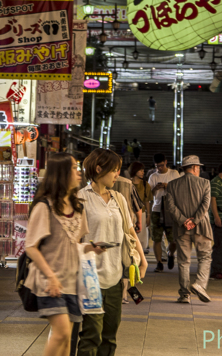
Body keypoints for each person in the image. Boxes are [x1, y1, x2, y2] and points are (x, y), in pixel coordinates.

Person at [23, 154, 105, 356]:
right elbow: (31, 246)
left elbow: (76, 244)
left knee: (67, 339)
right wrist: (50, 276)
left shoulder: (78, 206)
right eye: (74, 168)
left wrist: (91, 248)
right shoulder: (44, 206)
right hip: (49, 282)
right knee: (60, 333)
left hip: (72, 282)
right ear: (61, 173)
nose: (79, 172)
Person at [74, 150, 145, 356]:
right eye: (114, 170)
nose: (117, 175)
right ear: (98, 169)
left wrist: (142, 260)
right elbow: (74, 239)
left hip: (115, 276)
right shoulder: (81, 198)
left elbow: (129, 230)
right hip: (89, 276)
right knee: (91, 335)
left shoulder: (119, 198)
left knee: (110, 335)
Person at [164, 156, 213, 304]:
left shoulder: (172, 185)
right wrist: (194, 221)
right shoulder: (205, 183)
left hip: (181, 229)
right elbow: (205, 205)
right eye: (198, 167)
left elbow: (170, 207)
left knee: (184, 261)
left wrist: (183, 221)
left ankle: (185, 295)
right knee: (204, 257)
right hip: (202, 227)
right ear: (195, 168)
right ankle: (199, 284)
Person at [146, 154, 179, 273]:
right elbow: (149, 195)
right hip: (156, 209)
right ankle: (159, 262)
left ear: (166, 162)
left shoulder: (174, 174)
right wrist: (155, 188)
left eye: (161, 165)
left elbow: (179, 190)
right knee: (157, 239)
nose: (159, 168)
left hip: (170, 210)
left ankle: (170, 254)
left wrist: (167, 186)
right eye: (157, 166)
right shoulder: (153, 176)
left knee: (173, 239)